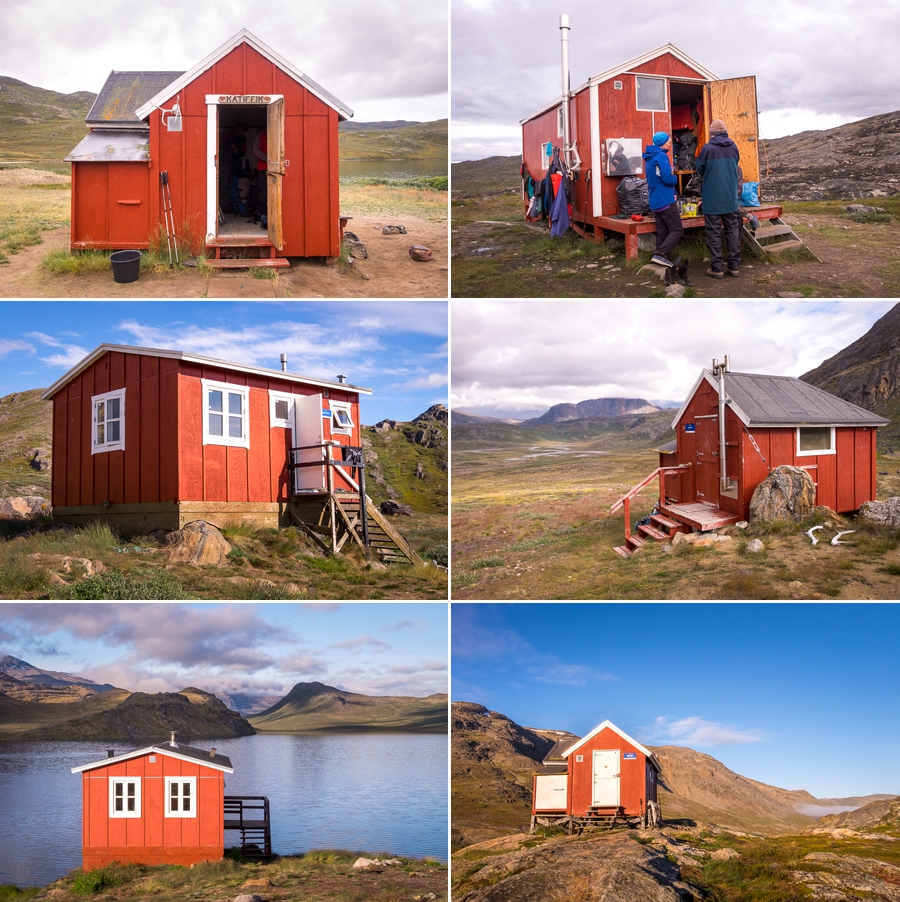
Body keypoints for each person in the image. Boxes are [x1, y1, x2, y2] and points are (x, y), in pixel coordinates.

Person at [696, 118, 741, 278]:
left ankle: (717, 269)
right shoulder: (733, 146)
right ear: (725, 132)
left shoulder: (707, 148)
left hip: (712, 197)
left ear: (712, 133)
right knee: (732, 230)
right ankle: (734, 267)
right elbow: (736, 164)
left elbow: (699, 168)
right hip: (730, 197)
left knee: (714, 232)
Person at [642, 131, 683, 268]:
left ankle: (659, 259)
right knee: (677, 229)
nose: (670, 142)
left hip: (655, 200)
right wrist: (675, 178)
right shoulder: (661, 156)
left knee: (663, 230)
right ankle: (661, 253)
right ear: (663, 143)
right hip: (665, 199)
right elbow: (667, 178)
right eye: (668, 141)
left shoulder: (650, 158)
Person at [253, 128, 268, 226]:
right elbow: (255, 150)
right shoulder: (262, 134)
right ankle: (264, 217)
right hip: (264, 168)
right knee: (264, 193)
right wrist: (269, 158)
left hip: (270, 167)